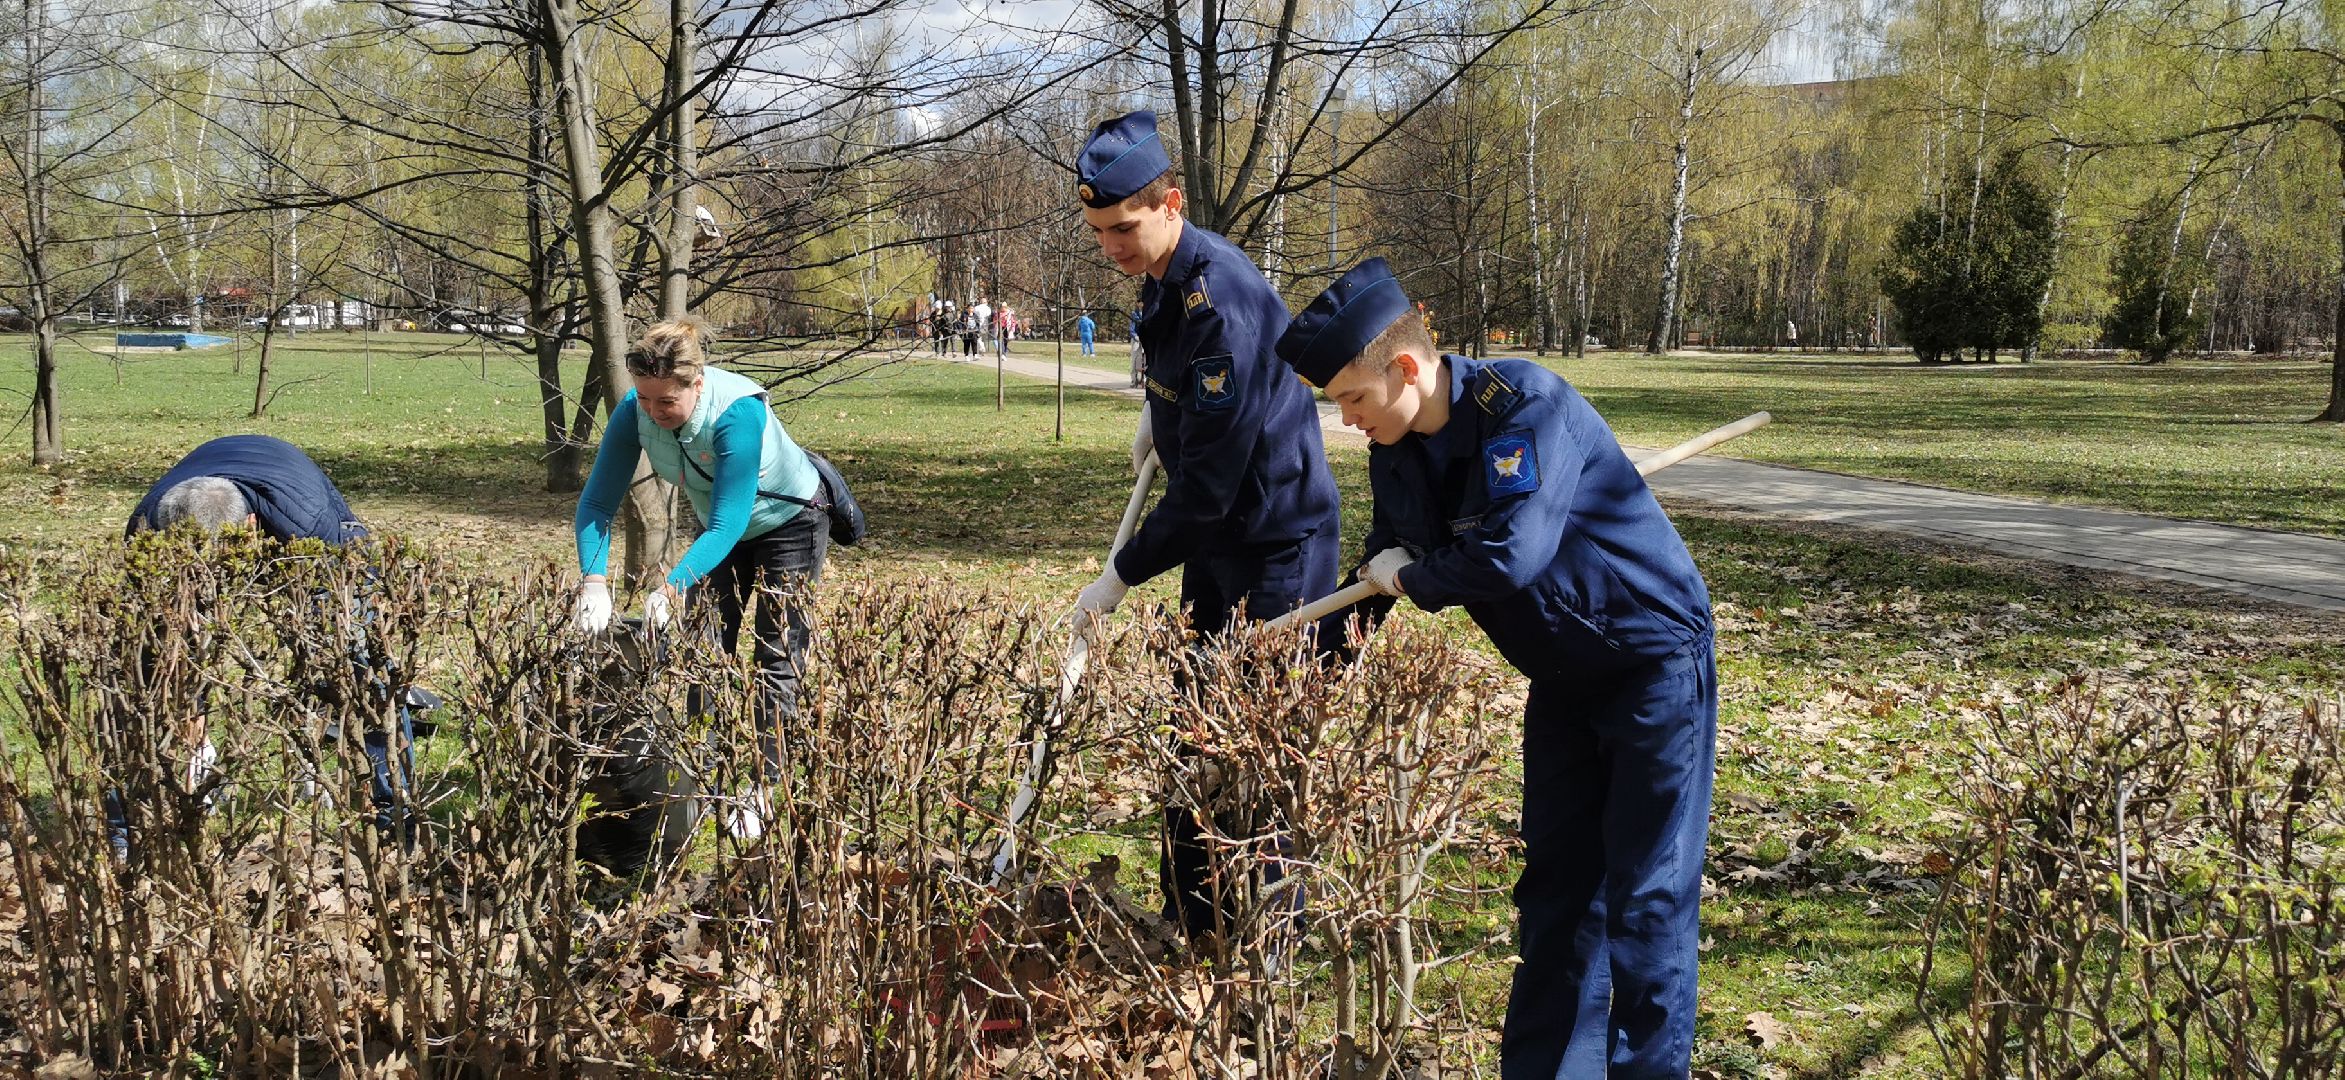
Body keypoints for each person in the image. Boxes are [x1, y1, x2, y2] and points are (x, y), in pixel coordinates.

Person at [1273, 258, 1717, 1080]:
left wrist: (1415, 578)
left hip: (1650, 667)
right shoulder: (1397, 447)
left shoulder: (1526, 407)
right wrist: (1301, 684)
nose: (1346, 421)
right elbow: (1383, 564)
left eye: (1353, 399)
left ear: (1405, 367)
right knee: (1555, 898)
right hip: (1561, 680)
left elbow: (1508, 557)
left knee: (1647, 903)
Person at [1067, 108, 1343, 943]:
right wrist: (1160, 416)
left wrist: (1122, 571)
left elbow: (1210, 492)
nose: (1112, 247)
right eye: (1098, 232)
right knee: (1195, 731)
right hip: (1219, 540)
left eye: (1124, 227)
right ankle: (1191, 925)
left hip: (1274, 543)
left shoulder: (1220, 298)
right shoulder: (1162, 278)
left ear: (1171, 203)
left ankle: (1262, 943)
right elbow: (1183, 388)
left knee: (1252, 750)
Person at [571, 318, 829, 839]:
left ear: (698, 383)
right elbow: (597, 502)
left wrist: (671, 586)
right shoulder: (634, 413)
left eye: (666, 402)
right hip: (720, 534)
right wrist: (593, 581)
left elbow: (729, 521)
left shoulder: (737, 414)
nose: (653, 413)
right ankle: (705, 770)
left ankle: (760, 785)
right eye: (644, 399)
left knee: (776, 657)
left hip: (790, 523)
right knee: (706, 652)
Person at [123, 434, 420, 852]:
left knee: (362, 668)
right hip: (220, 477)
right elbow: (161, 650)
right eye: (194, 562)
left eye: (217, 559)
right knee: (153, 676)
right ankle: (134, 825)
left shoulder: (309, 522)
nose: (210, 576)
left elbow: (346, 610)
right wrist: (186, 708)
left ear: (248, 529)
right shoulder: (150, 525)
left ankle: (393, 812)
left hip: (292, 490)